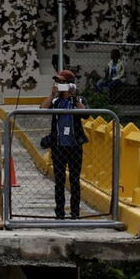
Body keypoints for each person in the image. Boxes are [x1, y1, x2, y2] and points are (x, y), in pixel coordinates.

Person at [40, 69, 88, 219]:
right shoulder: (56, 101)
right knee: (59, 181)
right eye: (58, 82)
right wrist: (52, 94)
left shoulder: (78, 100)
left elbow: (86, 114)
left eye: (62, 82)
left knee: (75, 180)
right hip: (59, 146)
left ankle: (75, 213)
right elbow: (43, 108)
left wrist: (73, 99)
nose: (59, 84)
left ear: (70, 84)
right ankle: (59, 213)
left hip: (74, 145)